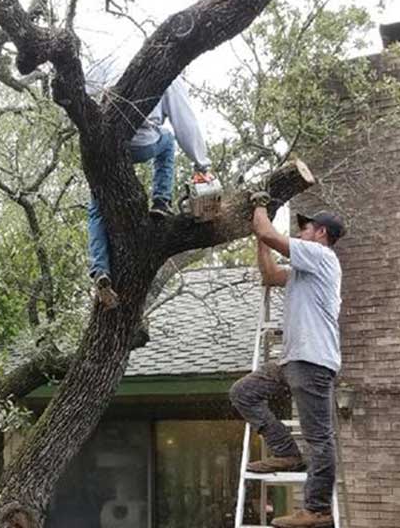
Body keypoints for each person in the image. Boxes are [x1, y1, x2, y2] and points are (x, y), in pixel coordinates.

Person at [230, 199, 346, 528]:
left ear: (321, 233)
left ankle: (317, 510)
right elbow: (269, 274)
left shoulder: (322, 256)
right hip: (293, 360)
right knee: (244, 392)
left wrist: (259, 204)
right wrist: (258, 239)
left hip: (313, 361)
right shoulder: (303, 271)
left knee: (319, 438)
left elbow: (268, 231)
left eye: (305, 227)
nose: (300, 231)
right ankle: (286, 451)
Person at [85, 66, 214, 307]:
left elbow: (83, 87)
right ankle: (160, 200)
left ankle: (100, 269)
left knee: (96, 207)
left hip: (105, 146)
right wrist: (202, 164)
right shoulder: (168, 75)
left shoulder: (112, 65)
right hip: (142, 144)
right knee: (168, 139)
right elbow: (185, 124)